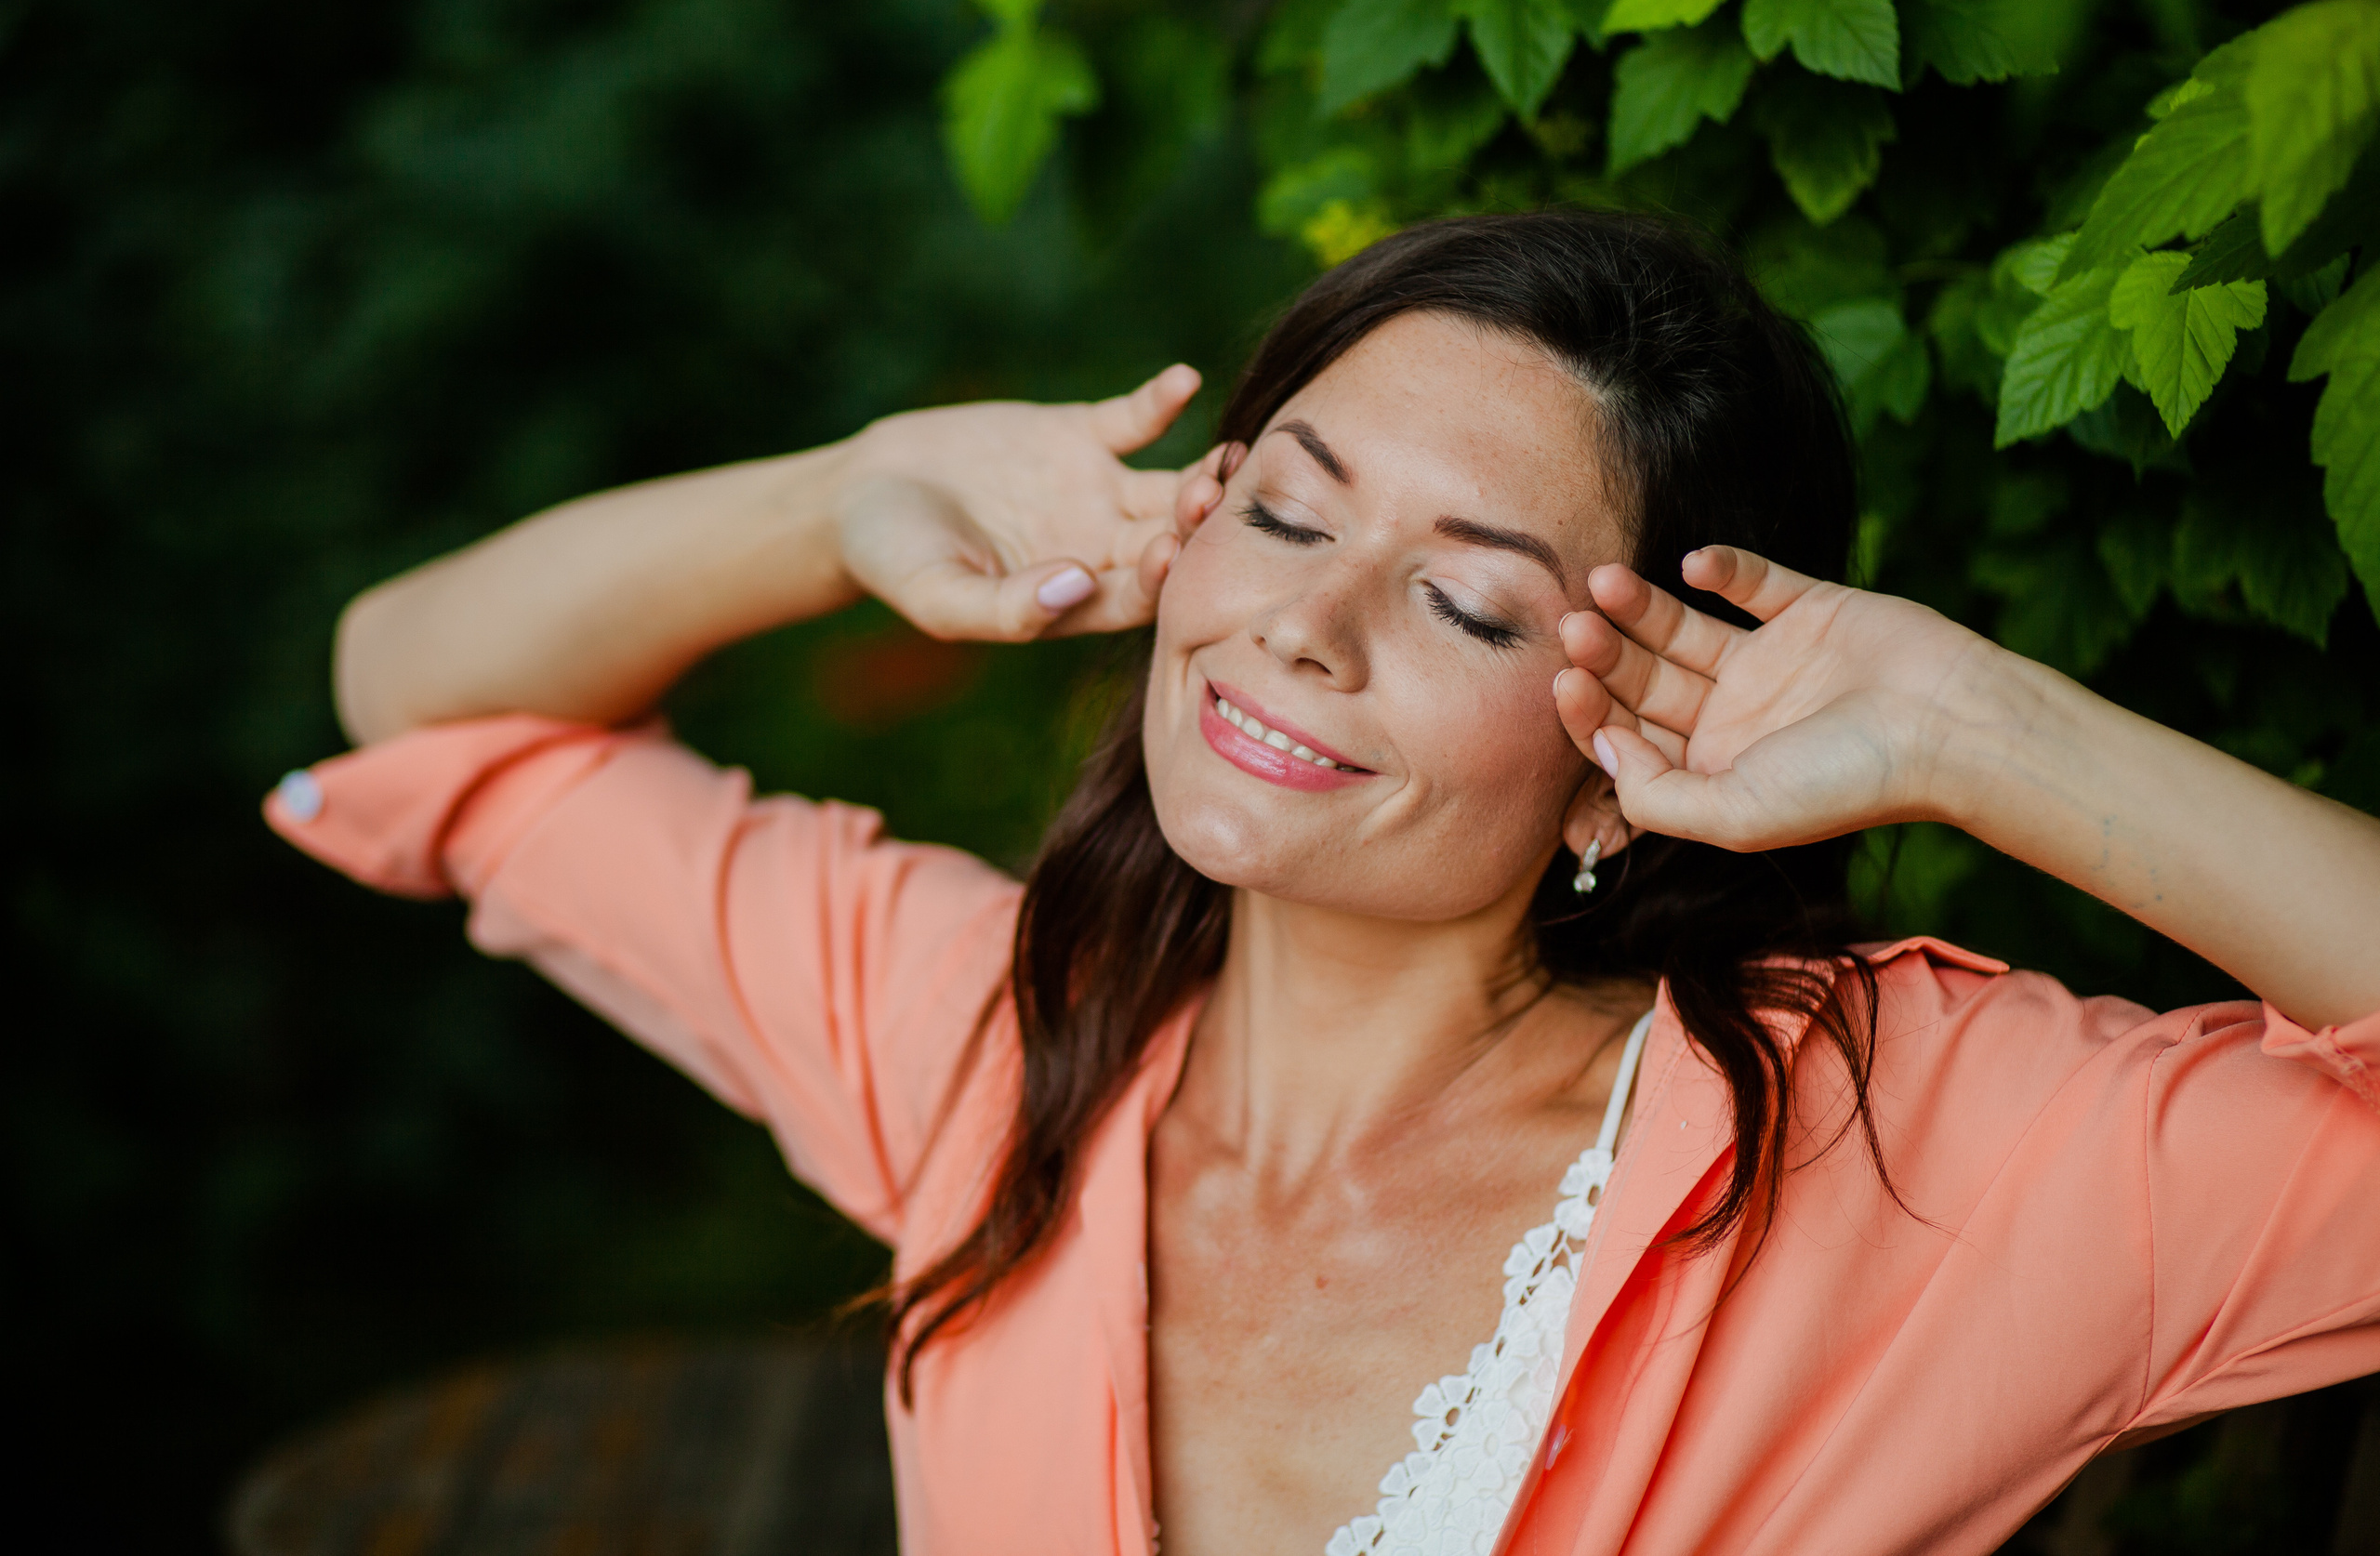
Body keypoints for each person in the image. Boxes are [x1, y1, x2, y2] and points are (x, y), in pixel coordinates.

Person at [268, 212, 2380, 1556]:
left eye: (1465, 606)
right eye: (1285, 513)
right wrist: (841, 499)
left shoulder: (1891, 1155)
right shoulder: (987, 1036)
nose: (1302, 626)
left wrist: (1976, 731)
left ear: (1623, 752)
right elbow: (419, 699)